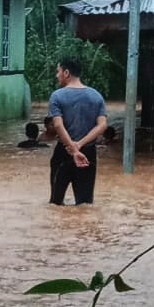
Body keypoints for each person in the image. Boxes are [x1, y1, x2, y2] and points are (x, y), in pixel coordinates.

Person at [46, 57, 107, 205]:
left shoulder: (57, 96)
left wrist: (73, 149)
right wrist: (79, 145)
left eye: (58, 71)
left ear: (66, 73)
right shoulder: (96, 96)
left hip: (64, 152)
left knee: (55, 203)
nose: (57, 75)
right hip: (88, 154)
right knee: (85, 205)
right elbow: (102, 125)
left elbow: (58, 126)